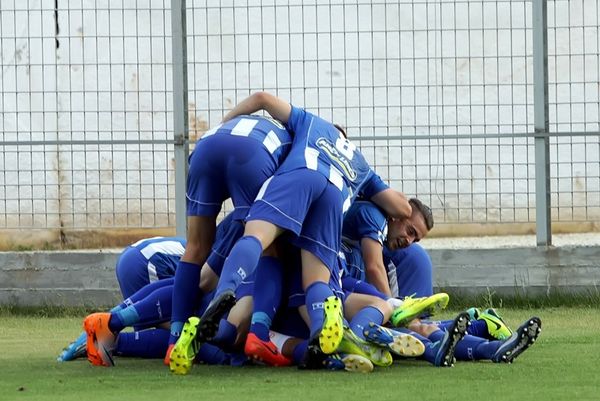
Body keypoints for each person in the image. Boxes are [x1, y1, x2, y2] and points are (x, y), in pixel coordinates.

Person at [178, 91, 414, 371]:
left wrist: (224, 123)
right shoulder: (359, 165)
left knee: (257, 236)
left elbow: (262, 98)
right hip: (334, 196)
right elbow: (403, 208)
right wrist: (371, 189)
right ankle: (319, 334)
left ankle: (225, 292)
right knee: (316, 279)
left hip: (302, 175)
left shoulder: (312, 124)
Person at [169, 113, 293, 355]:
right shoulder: (297, 140)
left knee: (195, 248)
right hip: (253, 155)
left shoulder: (255, 121)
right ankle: (259, 335)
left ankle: (174, 341)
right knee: (266, 245)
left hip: (206, 148)